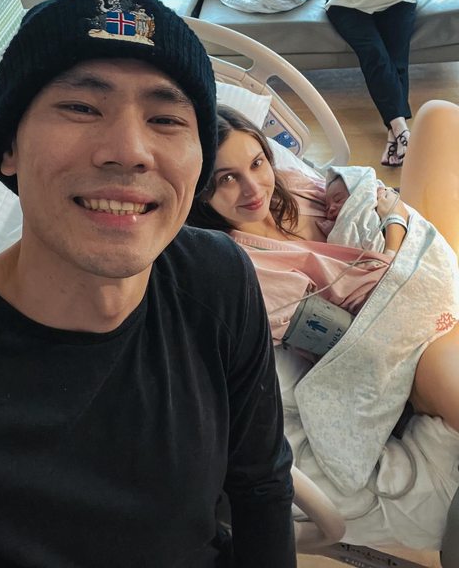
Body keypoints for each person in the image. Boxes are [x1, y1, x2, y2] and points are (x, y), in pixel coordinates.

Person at [0, 0, 296, 567]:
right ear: (9, 147)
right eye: (81, 108)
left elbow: (261, 484)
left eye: (166, 119)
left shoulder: (216, 277)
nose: (130, 150)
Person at [188, 101, 459, 434]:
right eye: (228, 178)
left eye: (257, 163)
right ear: (202, 191)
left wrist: (392, 218)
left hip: (422, 259)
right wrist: (394, 230)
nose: (253, 188)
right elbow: (363, 340)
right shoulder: (245, 270)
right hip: (415, 347)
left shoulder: (288, 186)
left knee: (438, 115)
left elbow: (370, 194)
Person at [319, 0, 440, 167]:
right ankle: (402, 131)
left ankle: (396, 133)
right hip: (349, 4)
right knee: (374, 53)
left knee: (397, 60)